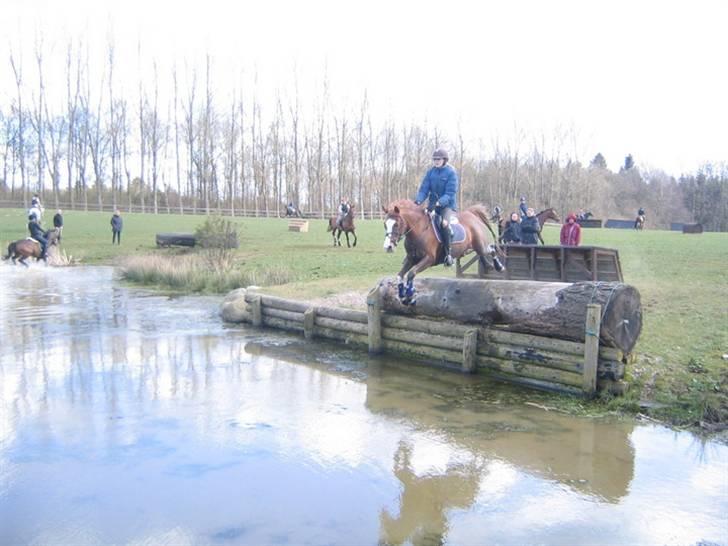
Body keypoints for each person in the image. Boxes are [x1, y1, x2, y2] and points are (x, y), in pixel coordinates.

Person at [414, 148, 459, 266]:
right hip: (433, 205)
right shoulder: (430, 172)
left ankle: (448, 255)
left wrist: (439, 203)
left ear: (444, 160)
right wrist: (418, 201)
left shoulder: (451, 173)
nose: (436, 161)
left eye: (438, 159)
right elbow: (424, 189)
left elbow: (450, 193)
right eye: (434, 159)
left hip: (447, 206)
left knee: (444, 223)